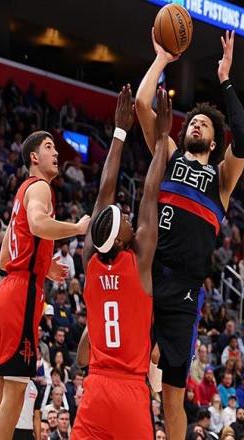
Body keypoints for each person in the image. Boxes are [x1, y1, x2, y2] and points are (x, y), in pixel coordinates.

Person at [136, 29, 244, 439]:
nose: (196, 124)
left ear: (214, 141)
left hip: (185, 290)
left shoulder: (222, 179)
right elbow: (142, 104)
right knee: (130, 371)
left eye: (204, 124)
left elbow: (243, 137)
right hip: (148, 273)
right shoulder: (166, 154)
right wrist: (162, 59)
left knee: (173, 394)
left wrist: (225, 79)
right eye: (193, 122)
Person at [0, 129, 90, 440]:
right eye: (49, 147)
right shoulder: (41, 186)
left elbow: (5, 259)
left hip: (7, 290)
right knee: (14, 394)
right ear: (34, 157)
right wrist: (77, 228)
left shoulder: (22, 192)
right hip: (22, 294)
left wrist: (43, 264)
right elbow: (39, 224)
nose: (56, 153)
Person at [71, 86, 170, 439]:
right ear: (121, 239)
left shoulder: (90, 261)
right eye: (125, 220)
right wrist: (162, 140)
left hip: (96, 388)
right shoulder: (138, 263)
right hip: (129, 390)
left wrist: (119, 132)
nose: (128, 217)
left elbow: (104, 191)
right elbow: (150, 193)